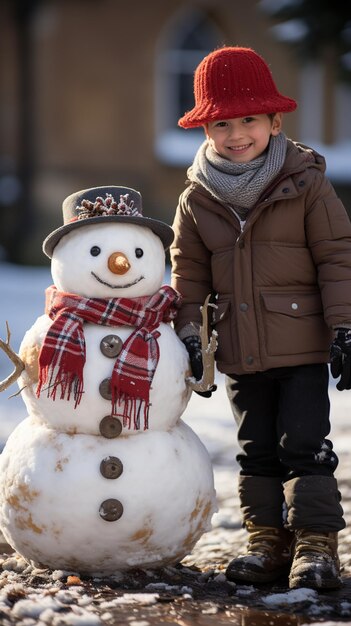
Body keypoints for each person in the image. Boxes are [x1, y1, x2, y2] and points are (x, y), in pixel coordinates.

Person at [170, 46, 351, 590]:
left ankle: (316, 545)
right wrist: (191, 336)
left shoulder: (307, 183)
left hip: (301, 344)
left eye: (249, 119)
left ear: (275, 121)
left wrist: (345, 325)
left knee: (306, 446)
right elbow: (189, 276)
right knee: (256, 451)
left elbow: (338, 256)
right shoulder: (196, 199)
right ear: (206, 131)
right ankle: (268, 541)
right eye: (221, 123)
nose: (236, 133)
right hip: (242, 349)